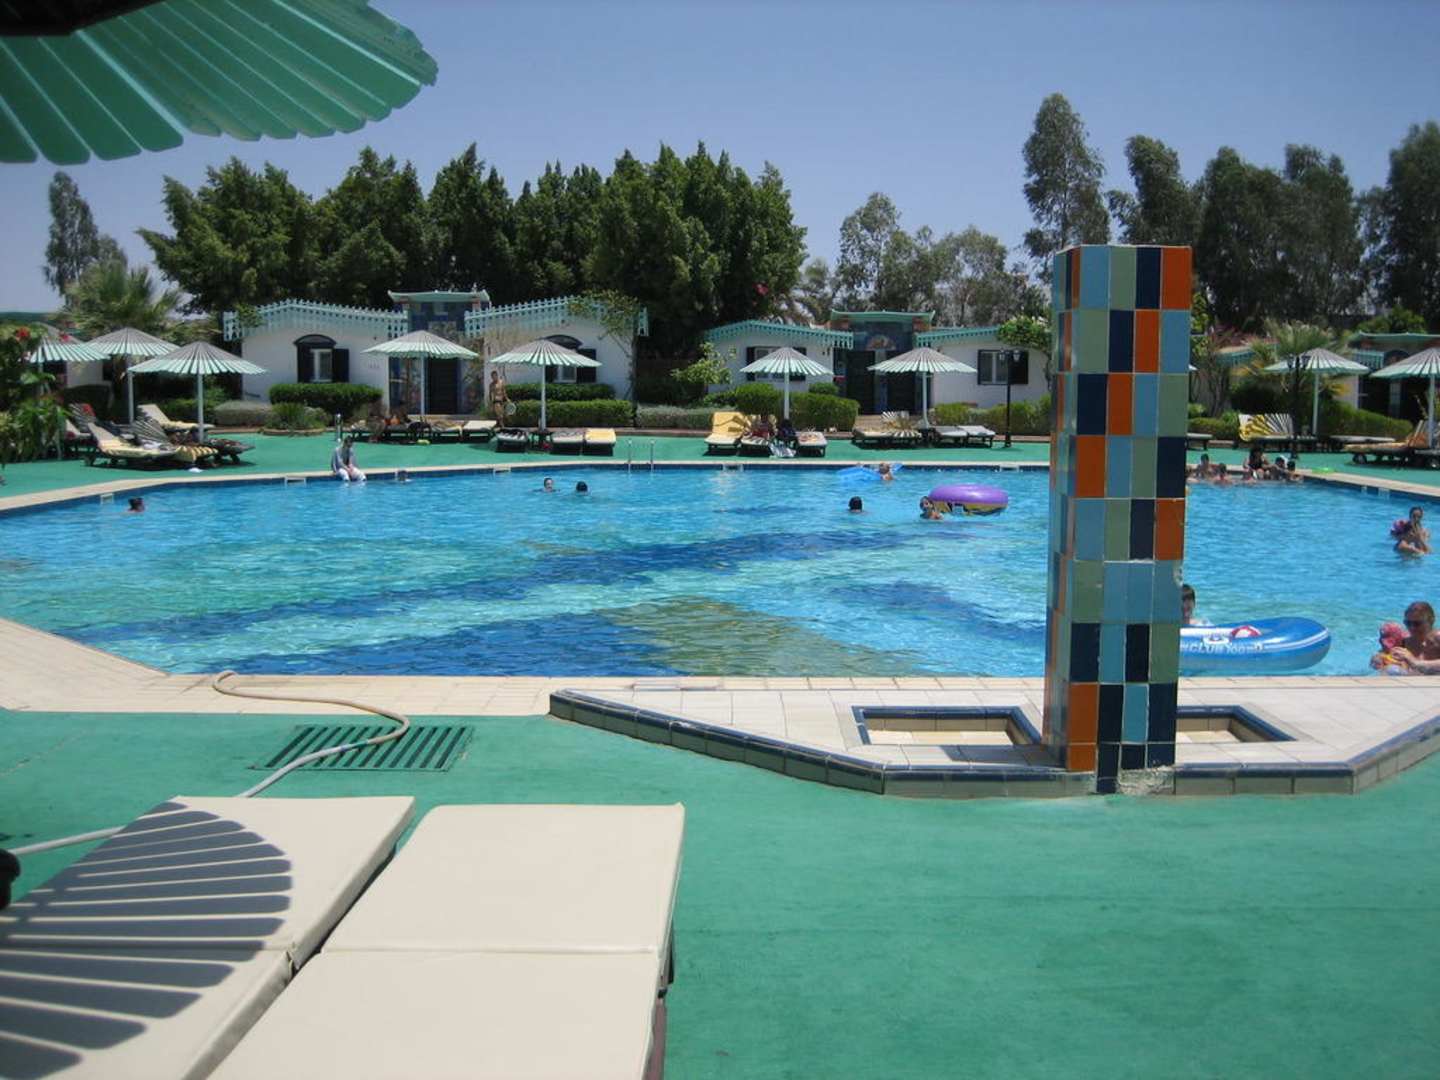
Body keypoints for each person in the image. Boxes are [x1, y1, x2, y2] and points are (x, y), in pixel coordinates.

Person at [1386, 601, 1440, 674]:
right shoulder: (1404, 642)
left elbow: (1415, 664)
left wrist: (1415, 662)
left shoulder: (1438, 638)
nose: (1412, 627)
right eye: (1408, 623)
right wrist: (1379, 659)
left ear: (1431, 620)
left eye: (1417, 623)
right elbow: (1385, 654)